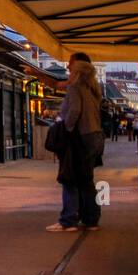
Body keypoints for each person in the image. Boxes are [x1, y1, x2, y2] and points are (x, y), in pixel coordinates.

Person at [48, 58, 104, 232]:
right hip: (94, 137)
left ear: (77, 73)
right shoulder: (93, 89)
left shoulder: (74, 88)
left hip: (79, 137)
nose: (68, 72)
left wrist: (66, 129)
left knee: (69, 178)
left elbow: (74, 111)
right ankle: (91, 219)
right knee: (86, 180)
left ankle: (68, 220)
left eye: (71, 70)